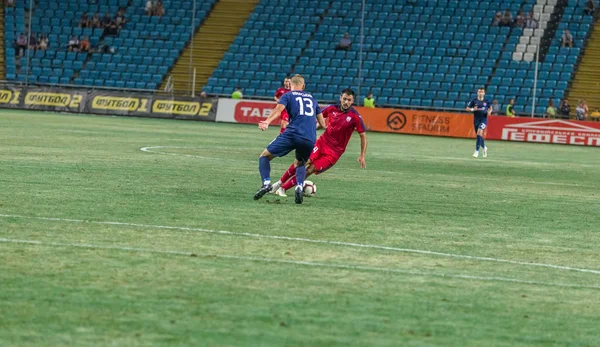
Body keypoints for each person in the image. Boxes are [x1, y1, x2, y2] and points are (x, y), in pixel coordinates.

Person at [270, 88, 367, 197]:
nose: (346, 102)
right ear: (340, 98)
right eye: (344, 99)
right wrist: (310, 129)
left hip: (334, 153)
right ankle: (278, 184)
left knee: (310, 169)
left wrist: (362, 155)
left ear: (353, 101)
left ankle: (283, 189)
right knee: (302, 162)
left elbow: (362, 135)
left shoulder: (355, 117)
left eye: (349, 100)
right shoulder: (331, 108)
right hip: (321, 143)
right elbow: (318, 118)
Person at [254, 75, 327, 204]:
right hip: (309, 138)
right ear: (303, 86)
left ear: (291, 85)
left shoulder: (288, 95)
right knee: (300, 163)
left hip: (292, 134)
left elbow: (278, 109)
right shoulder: (312, 99)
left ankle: (266, 183)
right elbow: (323, 124)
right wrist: (309, 129)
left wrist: (267, 121)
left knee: (264, 156)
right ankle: (299, 186)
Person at [466, 88, 492, 159]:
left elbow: (490, 108)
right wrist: (472, 109)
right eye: (479, 92)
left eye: (482, 92)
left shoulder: (486, 101)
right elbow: (467, 108)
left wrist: (489, 112)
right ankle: (484, 147)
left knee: (479, 132)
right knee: (479, 135)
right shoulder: (474, 101)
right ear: (477, 93)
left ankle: (476, 151)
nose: (481, 93)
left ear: (484, 93)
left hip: (484, 119)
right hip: (476, 120)